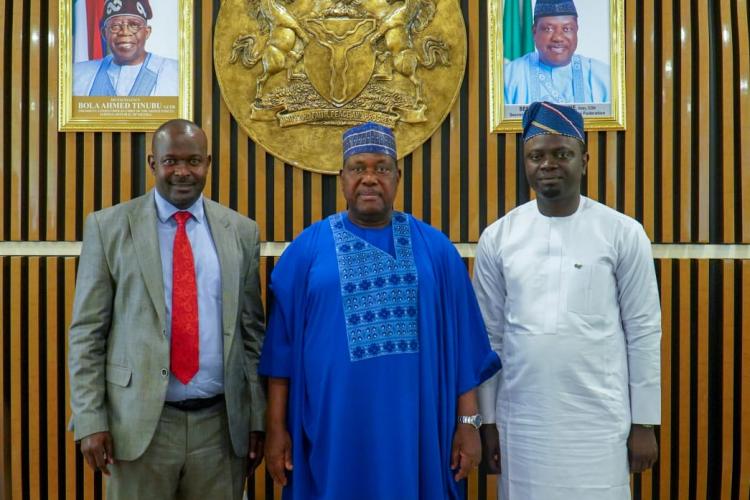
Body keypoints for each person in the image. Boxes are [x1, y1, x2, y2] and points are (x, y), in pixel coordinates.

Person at [259, 122, 501, 499]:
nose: (369, 178)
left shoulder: (436, 250)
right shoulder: (306, 251)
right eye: (358, 168)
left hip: (417, 435)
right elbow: (280, 357)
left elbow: (463, 350)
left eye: (381, 168)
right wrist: (276, 429)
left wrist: (468, 423)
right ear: (341, 178)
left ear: (397, 177)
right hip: (333, 434)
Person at [68, 119, 266, 499]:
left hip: (220, 430)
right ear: (152, 163)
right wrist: (90, 419)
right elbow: (86, 334)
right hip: (138, 426)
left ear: (207, 163)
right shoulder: (108, 227)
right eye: (171, 160)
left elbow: (251, 335)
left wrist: (256, 417)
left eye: (193, 161)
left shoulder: (240, 231)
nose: (182, 172)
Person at [473, 101, 661, 500]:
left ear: (584, 160)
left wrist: (644, 421)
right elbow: (488, 337)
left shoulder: (623, 234)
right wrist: (487, 423)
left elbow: (643, 330)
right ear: (525, 162)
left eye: (562, 154)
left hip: (599, 422)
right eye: (536, 155)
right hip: (523, 424)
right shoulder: (499, 237)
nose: (548, 164)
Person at [504, 0, 610, 105]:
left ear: (576, 30)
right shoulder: (508, 77)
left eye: (567, 29)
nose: (558, 38)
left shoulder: (604, 76)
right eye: (548, 29)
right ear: (534, 32)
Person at [73, 0, 178, 96]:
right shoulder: (77, 75)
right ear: (104, 33)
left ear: (147, 32)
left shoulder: (176, 73)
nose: (124, 32)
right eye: (115, 26)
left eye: (134, 25)